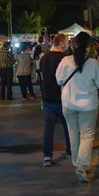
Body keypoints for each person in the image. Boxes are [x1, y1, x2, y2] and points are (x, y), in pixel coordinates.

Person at [56, 32, 99, 182]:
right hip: (88, 105)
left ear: (73, 44)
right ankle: (82, 165)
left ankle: (76, 162)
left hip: (68, 103)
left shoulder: (65, 61)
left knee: (73, 133)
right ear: (88, 45)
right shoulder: (94, 63)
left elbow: (59, 80)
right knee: (87, 135)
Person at [40, 34, 72, 167]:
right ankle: (70, 150)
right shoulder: (66, 59)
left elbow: (41, 77)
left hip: (47, 97)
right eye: (67, 43)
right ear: (61, 44)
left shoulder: (43, 58)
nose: (68, 46)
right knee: (67, 125)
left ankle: (47, 155)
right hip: (62, 97)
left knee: (49, 127)